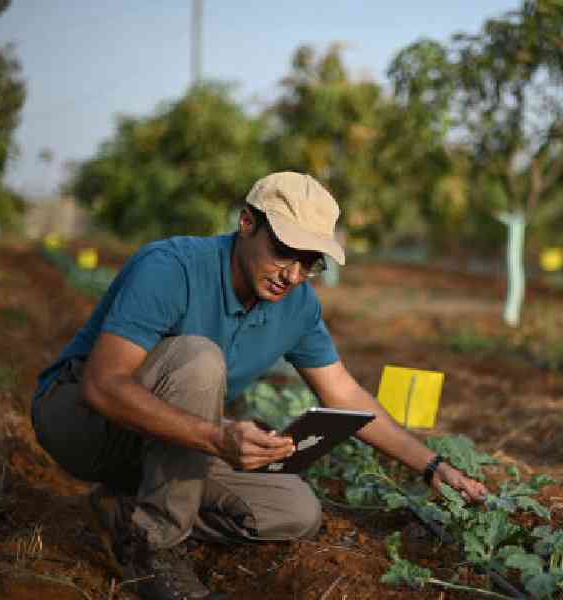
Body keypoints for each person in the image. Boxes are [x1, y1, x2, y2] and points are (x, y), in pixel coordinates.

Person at [31, 172, 488, 600]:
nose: (292, 274)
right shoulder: (171, 267)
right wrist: (216, 436)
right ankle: (155, 548)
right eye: (285, 251)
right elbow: (103, 385)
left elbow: (345, 396)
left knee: (294, 511)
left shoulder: (298, 306)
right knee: (199, 359)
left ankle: (123, 512)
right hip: (80, 421)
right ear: (246, 222)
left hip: (164, 440)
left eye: (310, 263)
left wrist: (433, 467)